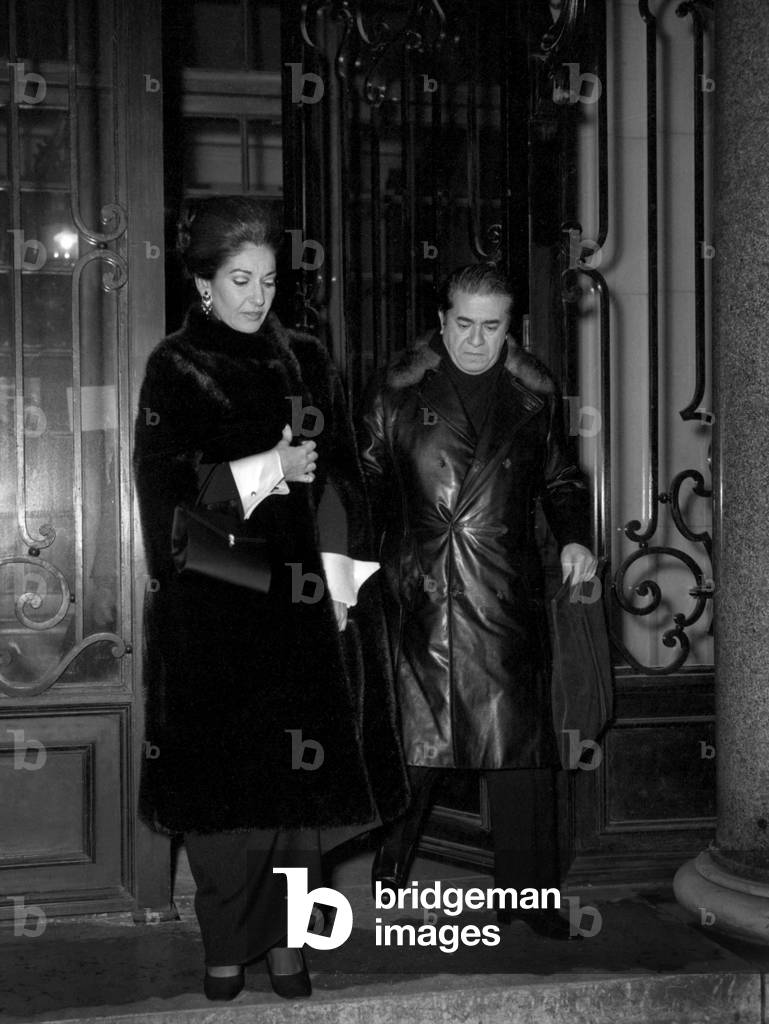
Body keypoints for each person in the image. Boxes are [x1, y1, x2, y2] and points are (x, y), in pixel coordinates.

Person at [133, 196, 407, 1000]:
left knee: (296, 800)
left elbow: (346, 477)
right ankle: (225, 947)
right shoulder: (175, 367)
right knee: (224, 802)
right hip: (212, 616)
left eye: (268, 280)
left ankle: (289, 945)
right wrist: (267, 472)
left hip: (302, 615)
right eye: (240, 280)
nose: (257, 296)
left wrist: (342, 579)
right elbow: (165, 506)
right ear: (204, 283)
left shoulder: (309, 360)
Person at [358, 262, 597, 940]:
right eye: (463, 323)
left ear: (509, 327)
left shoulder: (532, 398)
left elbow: (561, 480)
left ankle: (529, 896)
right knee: (417, 743)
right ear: (441, 321)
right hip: (421, 587)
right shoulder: (397, 393)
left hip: (503, 589)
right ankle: (388, 865)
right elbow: (362, 483)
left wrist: (574, 538)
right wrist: (359, 569)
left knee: (518, 749)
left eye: (491, 327)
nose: (474, 339)